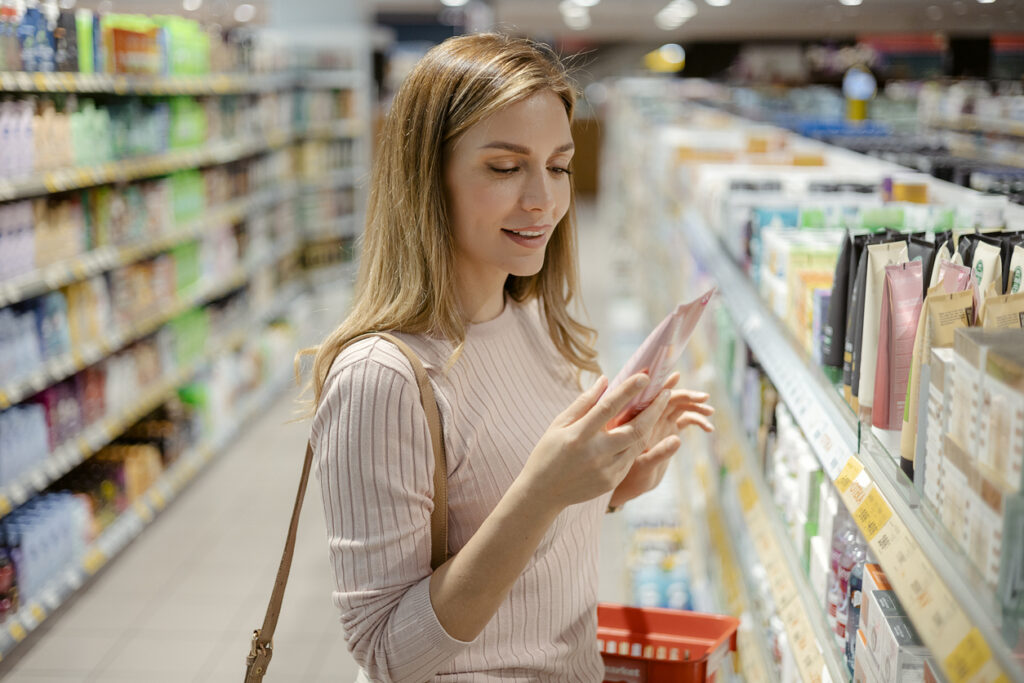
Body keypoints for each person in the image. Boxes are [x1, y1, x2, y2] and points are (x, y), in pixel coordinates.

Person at [304, 33, 714, 682]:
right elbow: (386, 649)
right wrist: (543, 490)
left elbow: (501, 519)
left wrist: (600, 488)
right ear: (425, 176)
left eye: (557, 165)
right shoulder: (383, 377)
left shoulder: (531, 320)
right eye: (504, 167)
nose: (544, 201)